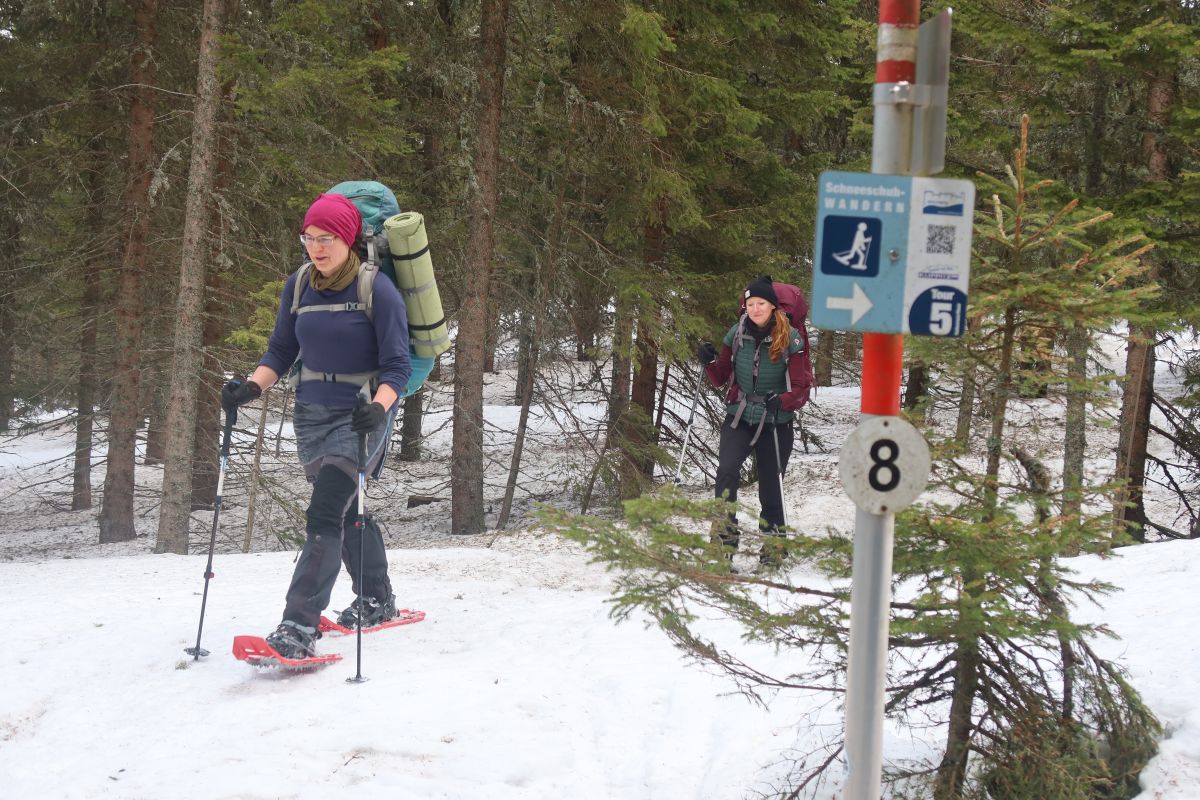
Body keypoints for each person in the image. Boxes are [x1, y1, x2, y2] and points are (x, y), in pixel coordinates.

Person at [222, 192, 412, 659]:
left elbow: (397, 366)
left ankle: (297, 626)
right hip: (309, 414)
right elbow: (281, 351)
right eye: (309, 237)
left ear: (347, 238)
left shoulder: (376, 289)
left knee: (324, 513)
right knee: (346, 511)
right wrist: (251, 387)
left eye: (326, 237)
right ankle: (378, 598)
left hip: (359, 416)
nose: (317, 247)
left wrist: (381, 408)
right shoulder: (300, 284)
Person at [697, 276, 809, 565]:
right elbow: (720, 378)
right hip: (740, 417)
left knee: (771, 486)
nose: (755, 309)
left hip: (776, 422)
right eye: (750, 304)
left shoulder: (791, 339)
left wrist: (781, 401)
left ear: (773, 306)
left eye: (761, 303)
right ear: (744, 307)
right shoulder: (736, 333)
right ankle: (722, 543)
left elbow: (800, 388)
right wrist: (709, 361)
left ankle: (773, 549)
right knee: (726, 473)